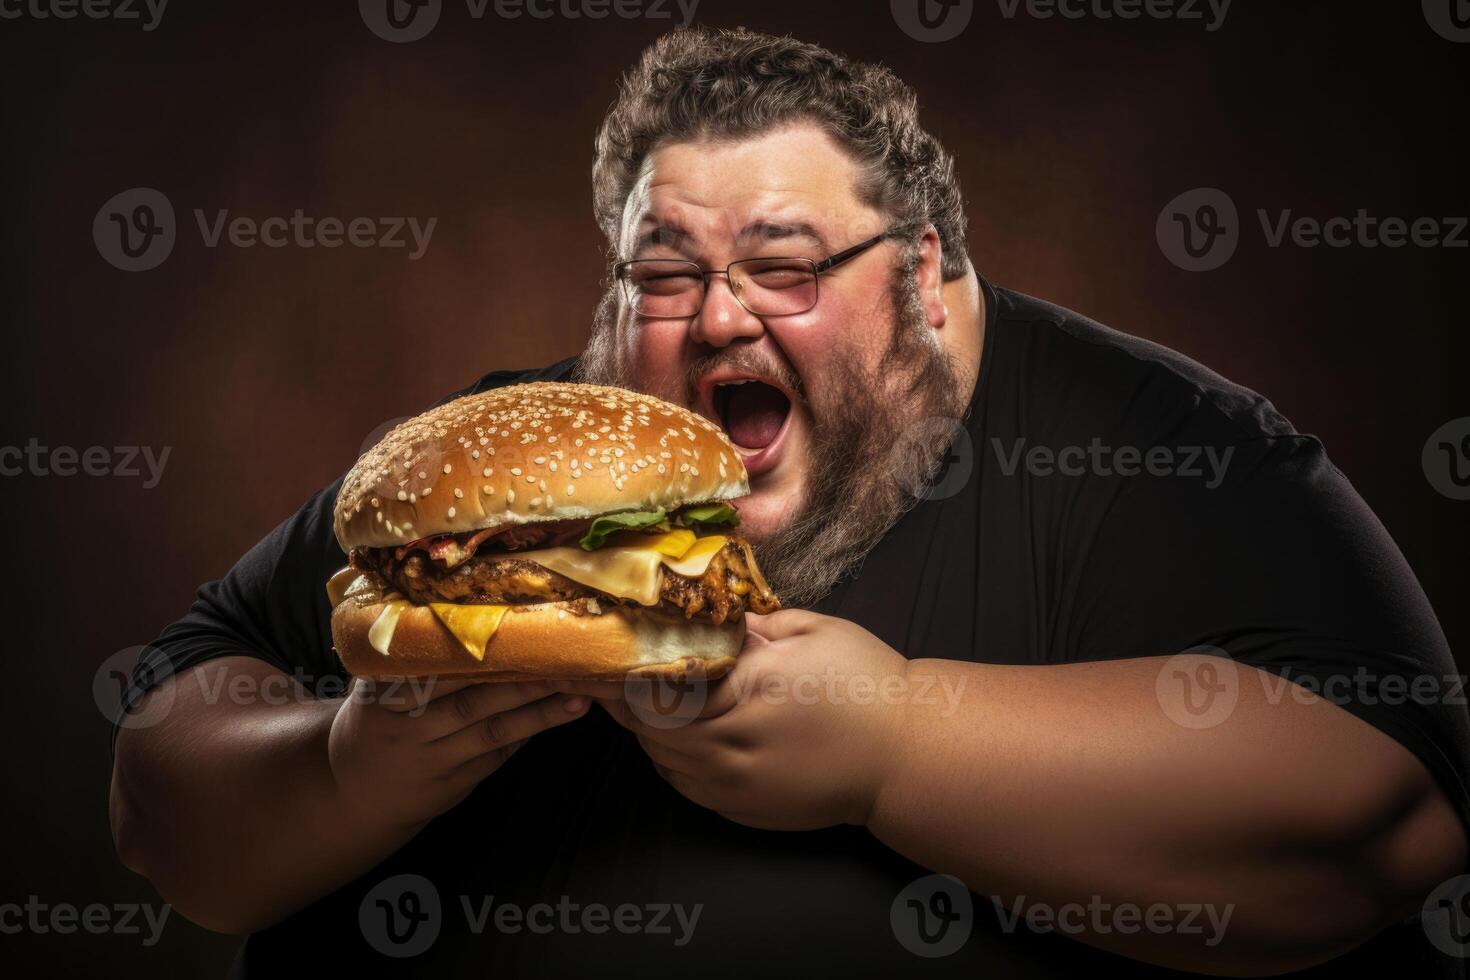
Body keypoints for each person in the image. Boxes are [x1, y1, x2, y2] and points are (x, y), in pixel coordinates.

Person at [110, 26, 1469, 978]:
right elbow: (166, 778)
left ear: (924, 276)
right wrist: (346, 766)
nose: (715, 319)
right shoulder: (494, 463)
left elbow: (1387, 822)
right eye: (661, 272)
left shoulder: (1159, 448)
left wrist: (894, 748)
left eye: (784, 263)